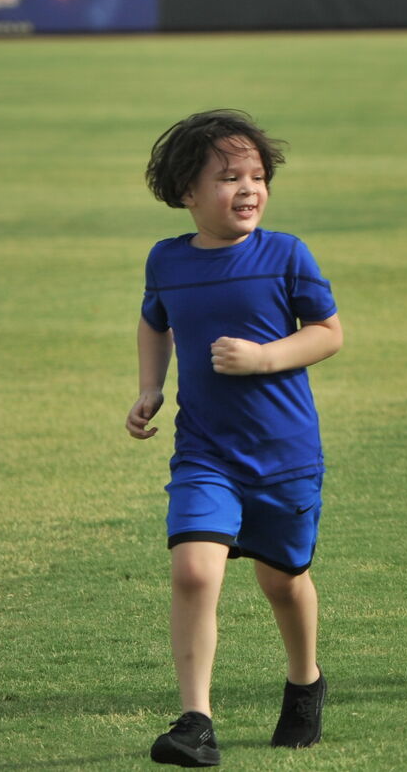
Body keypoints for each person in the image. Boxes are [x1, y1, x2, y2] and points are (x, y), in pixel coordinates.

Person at [128, 110, 344, 766]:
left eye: (257, 175)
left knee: (284, 582)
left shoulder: (285, 253)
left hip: (284, 456)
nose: (248, 188)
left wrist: (265, 357)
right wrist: (148, 387)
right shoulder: (167, 259)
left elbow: (329, 332)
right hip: (205, 452)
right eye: (228, 177)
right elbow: (153, 321)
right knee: (195, 570)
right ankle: (196, 721)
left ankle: (304, 681)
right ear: (186, 192)